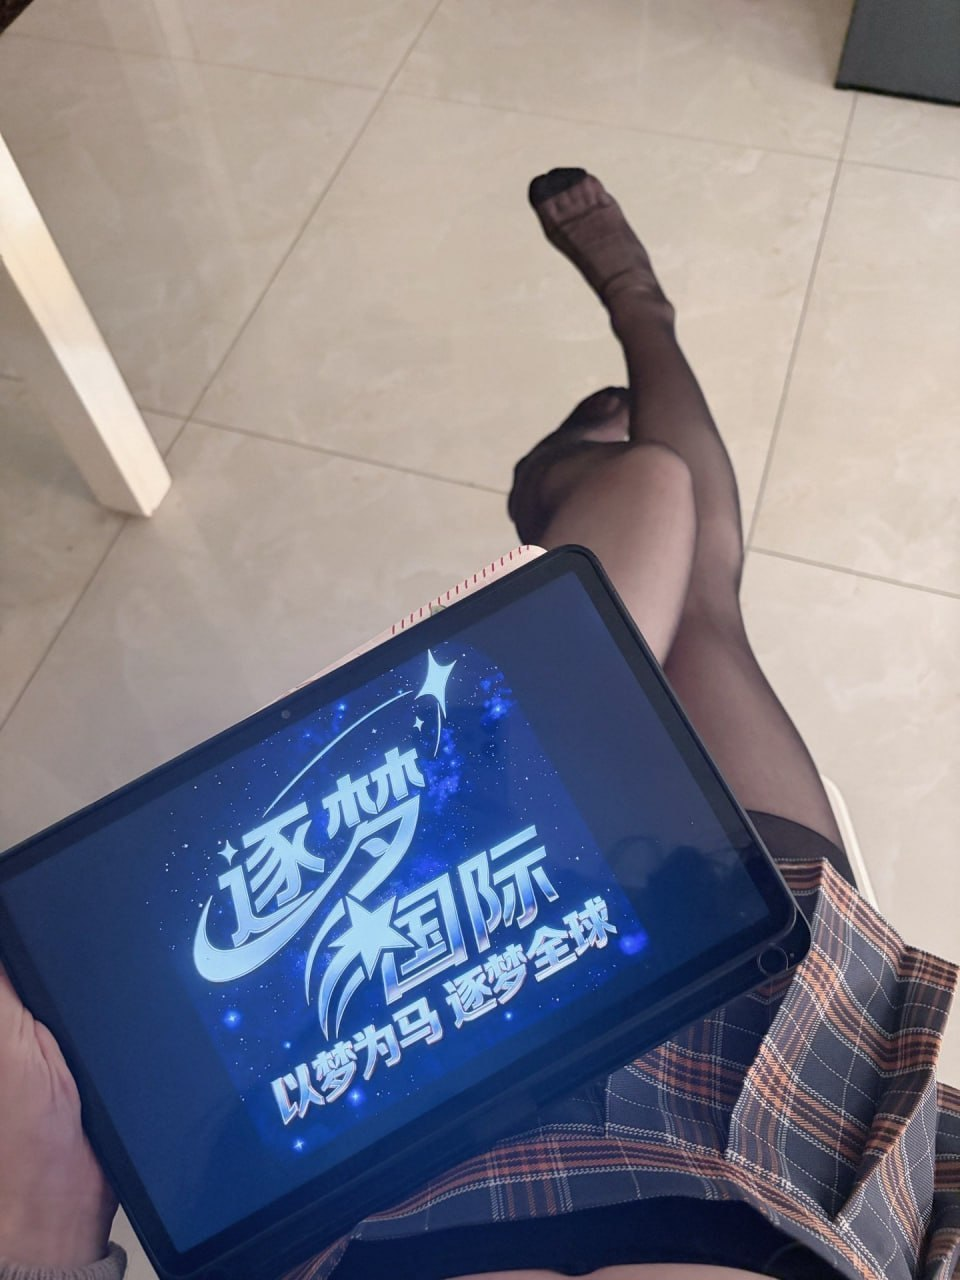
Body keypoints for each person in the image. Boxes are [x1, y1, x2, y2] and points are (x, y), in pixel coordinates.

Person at [1, 170, 958, 1280]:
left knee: (651, 514)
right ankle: (636, 337)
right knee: (693, 589)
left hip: (368, 1146)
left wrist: (39, 1242)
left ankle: (577, 456)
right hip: (769, 1087)